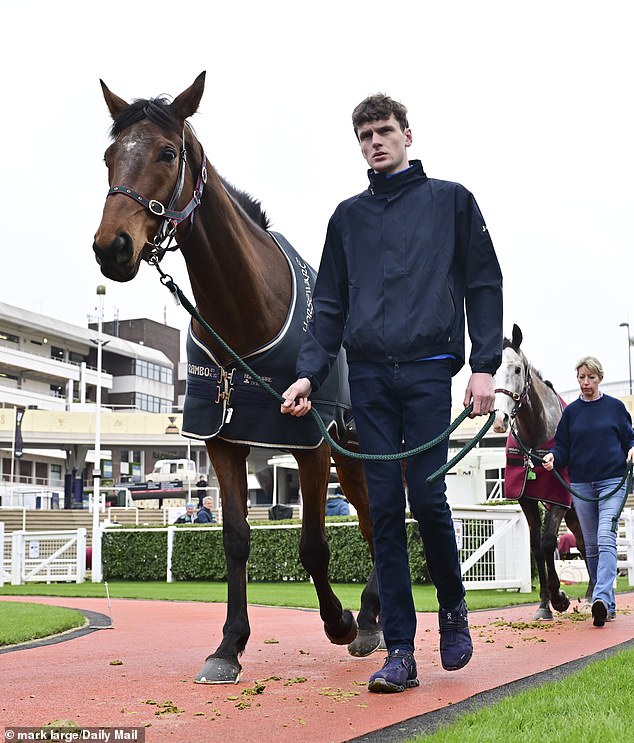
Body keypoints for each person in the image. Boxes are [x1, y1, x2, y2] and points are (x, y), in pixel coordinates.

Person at [280, 93, 503, 693]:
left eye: (384, 131)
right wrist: (307, 371)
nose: (375, 142)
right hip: (370, 378)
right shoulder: (346, 218)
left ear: (408, 135)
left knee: (429, 502)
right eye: (365, 135)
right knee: (383, 513)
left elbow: (484, 283)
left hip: (430, 370)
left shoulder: (453, 202)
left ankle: (453, 612)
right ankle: (400, 651)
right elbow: (327, 306)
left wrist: (484, 366)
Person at [542, 356, 634, 627]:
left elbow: (630, 437)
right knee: (591, 546)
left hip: (612, 482)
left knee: (606, 536)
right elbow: (562, 448)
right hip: (582, 485)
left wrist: (632, 448)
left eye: (591, 378)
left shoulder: (615, 408)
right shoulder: (571, 413)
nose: (585, 383)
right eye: (581, 377)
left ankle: (601, 597)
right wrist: (552, 458)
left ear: (599, 378)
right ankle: (607, 604)